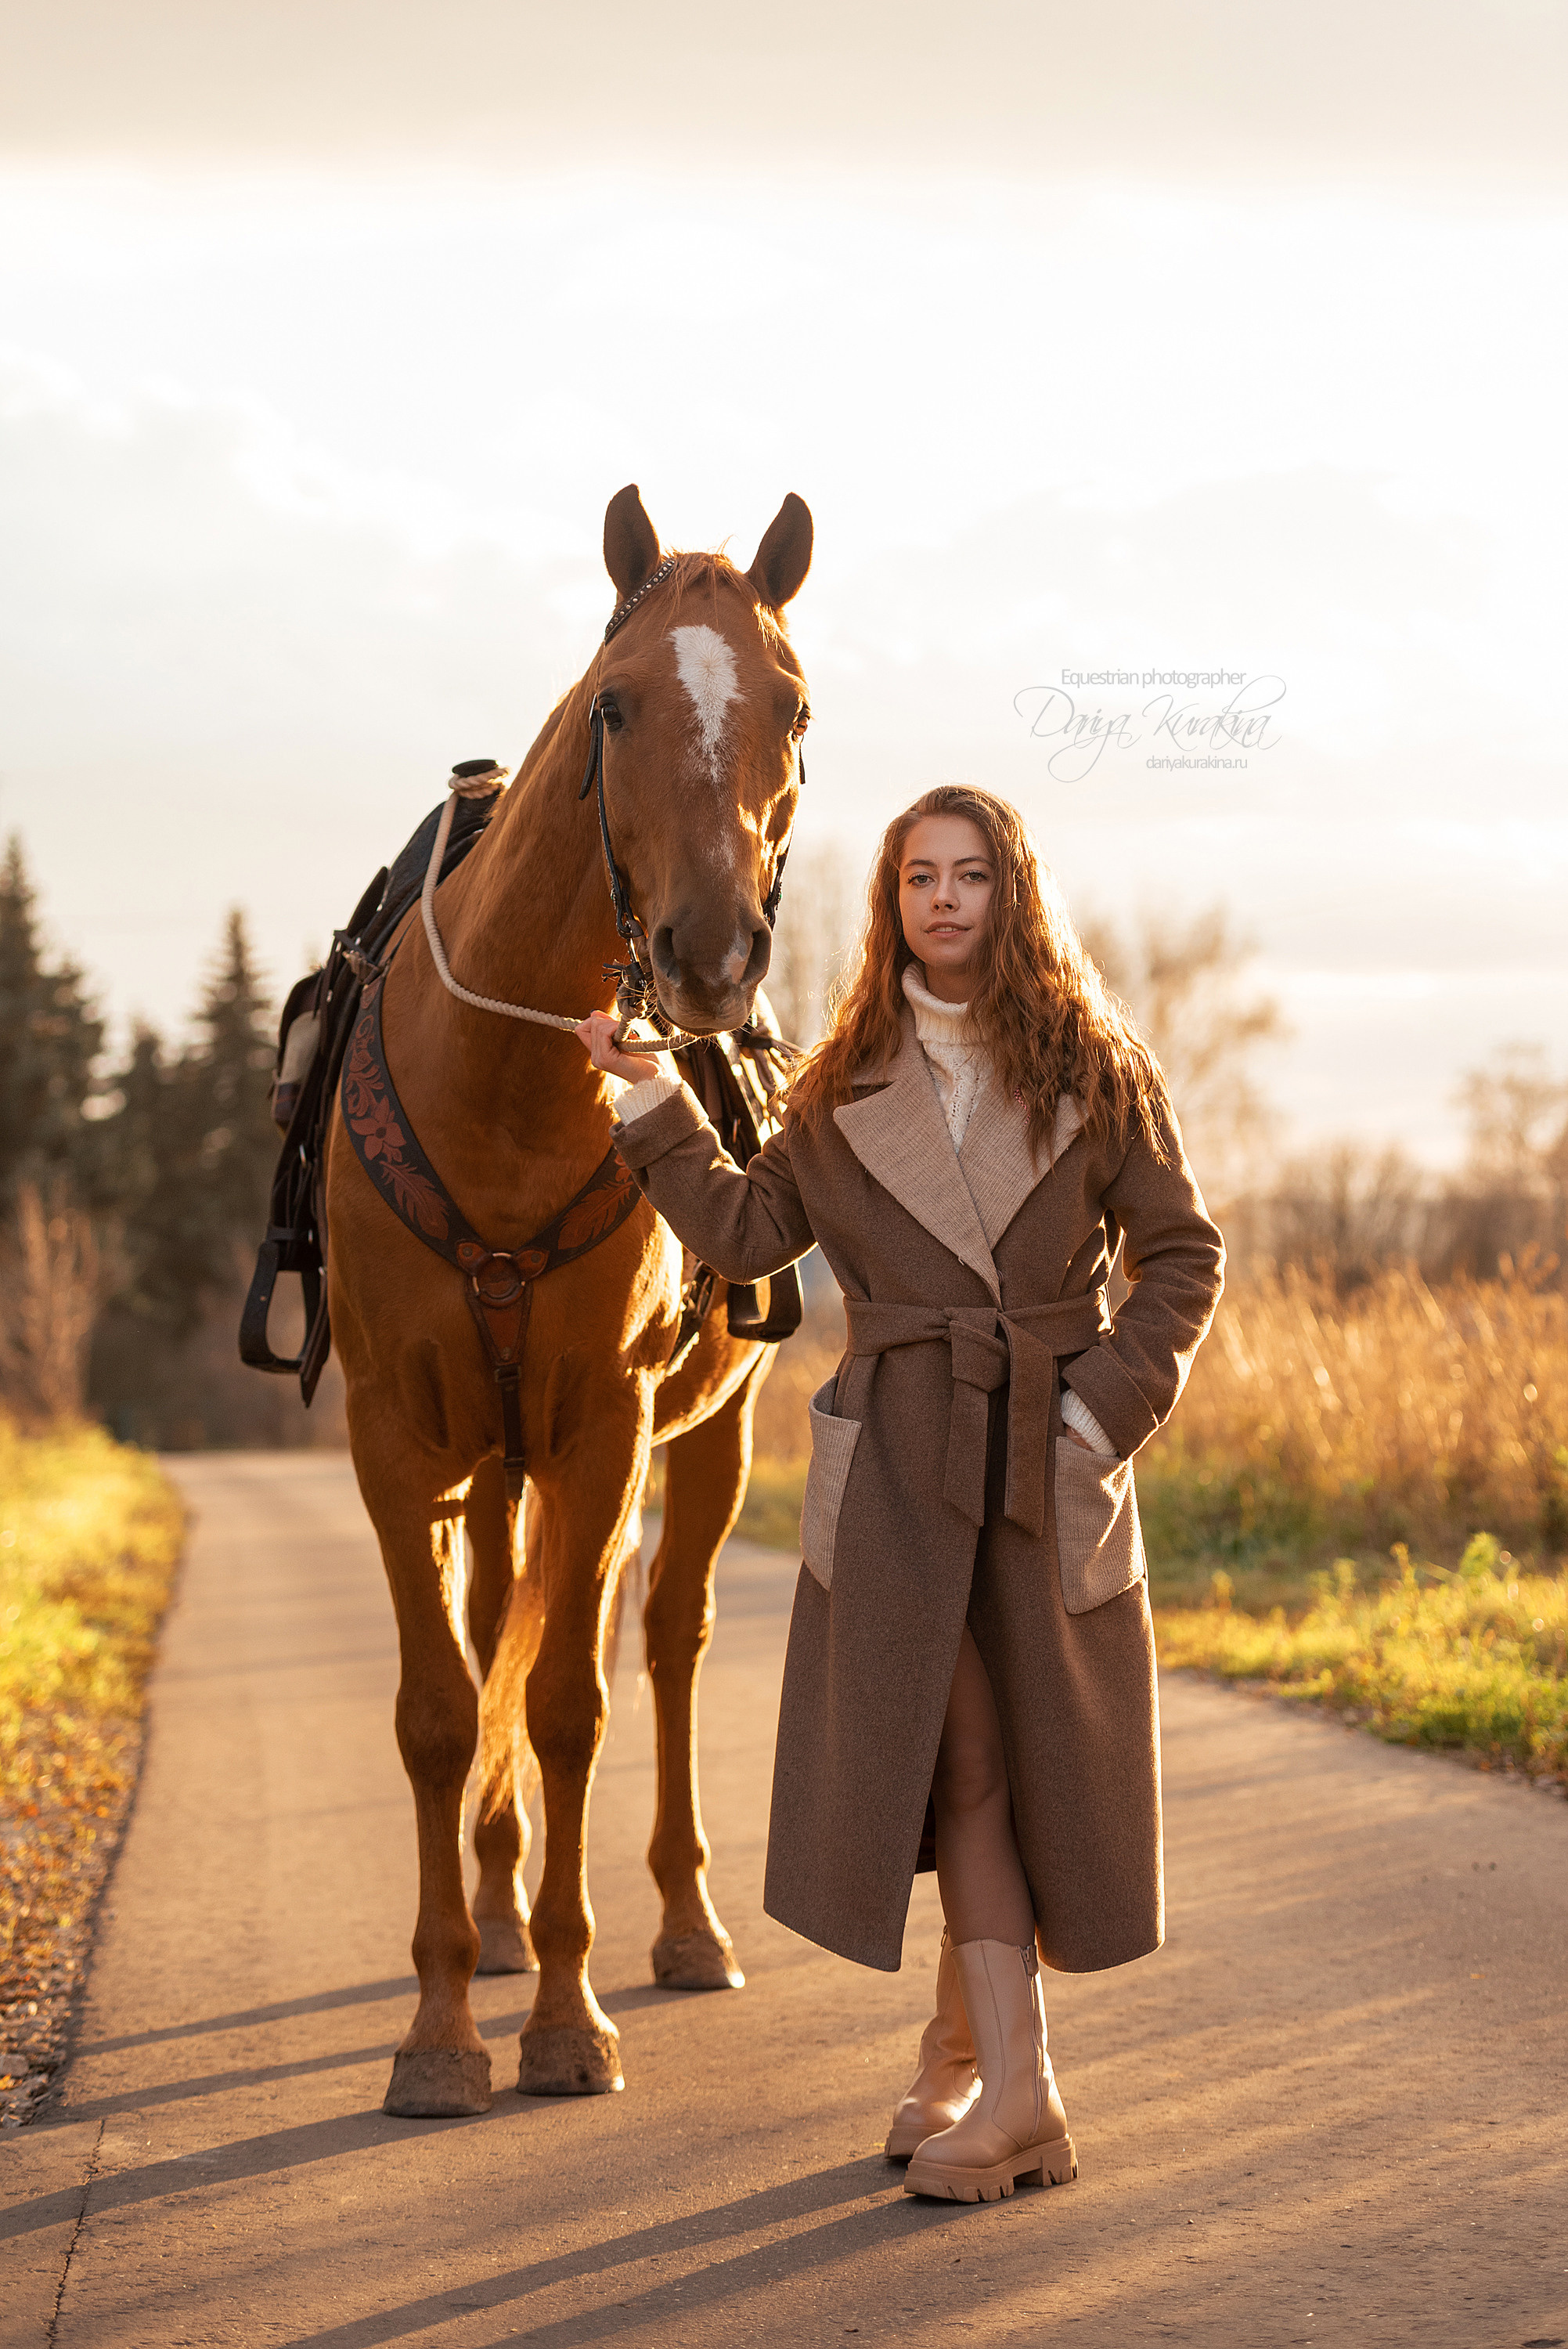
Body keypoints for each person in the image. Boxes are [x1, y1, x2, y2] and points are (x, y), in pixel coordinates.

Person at [578, 784, 1224, 2204]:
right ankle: (1015, 2091)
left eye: (970, 875)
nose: (944, 899)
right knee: (965, 1763)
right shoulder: (841, 1082)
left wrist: (1097, 1412)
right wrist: (650, 1093)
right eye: (920, 876)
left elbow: (1184, 1258)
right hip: (899, 1473)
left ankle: (986, 2075)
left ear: (1012, 893)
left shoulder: (1099, 1067)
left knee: (1022, 1769)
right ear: (891, 903)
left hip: (1047, 1454)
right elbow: (748, 1230)